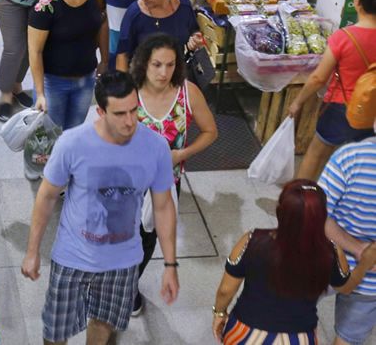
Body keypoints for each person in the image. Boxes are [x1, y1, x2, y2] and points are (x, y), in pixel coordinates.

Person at [21, 72, 179, 345]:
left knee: (104, 330)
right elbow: (46, 196)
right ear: (101, 111)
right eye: (119, 114)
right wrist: (32, 252)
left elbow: (163, 206)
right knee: (55, 333)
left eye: (134, 110)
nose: (130, 121)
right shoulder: (72, 143)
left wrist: (170, 264)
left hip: (123, 263)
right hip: (72, 257)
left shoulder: (155, 147)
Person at [212, 179, 376, 344]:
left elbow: (226, 291)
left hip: (245, 332)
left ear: (280, 211)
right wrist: (364, 263)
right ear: (322, 216)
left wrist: (219, 312)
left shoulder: (251, 241)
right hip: (299, 336)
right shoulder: (331, 252)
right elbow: (346, 287)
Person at [129, 33, 217, 316]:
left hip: (165, 184)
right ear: (144, 64)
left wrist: (181, 155)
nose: (163, 72)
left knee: (148, 237)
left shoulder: (187, 93)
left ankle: (129, 287)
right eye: (156, 65)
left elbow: (210, 132)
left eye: (169, 65)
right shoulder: (129, 92)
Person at [289, 0, 376, 180]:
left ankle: (303, 202)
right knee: (363, 161)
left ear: (357, 2)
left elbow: (318, 78)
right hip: (372, 111)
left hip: (341, 106)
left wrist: (298, 102)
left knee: (317, 154)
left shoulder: (344, 37)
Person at [28, 0, 108, 133]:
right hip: (53, 82)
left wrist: (104, 60)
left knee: (74, 133)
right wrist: (40, 94)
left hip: (86, 79)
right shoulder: (46, 6)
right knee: (48, 136)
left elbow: (102, 22)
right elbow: (35, 51)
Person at [318, 118, 376, 345]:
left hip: (326, 261)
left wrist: (358, 248)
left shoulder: (350, 157)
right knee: (347, 340)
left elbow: (318, 216)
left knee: (289, 316)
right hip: (372, 281)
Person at [115, 0, 202, 72]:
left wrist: (195, 39)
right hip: (145, 80)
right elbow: (122, 55)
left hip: (177, 75)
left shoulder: (184, 5)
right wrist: (126, 88)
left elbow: (194, 31)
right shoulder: (134, 14)